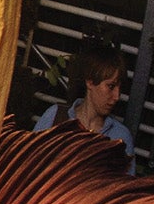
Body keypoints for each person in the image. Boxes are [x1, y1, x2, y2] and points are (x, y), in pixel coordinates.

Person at [36, 41, 136, 173]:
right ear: (90, 82)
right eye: (111, 86)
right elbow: (29, 165)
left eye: (120, 88)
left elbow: (125, 185)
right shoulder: (55, 116)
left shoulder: (120, 137)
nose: (117, 96)